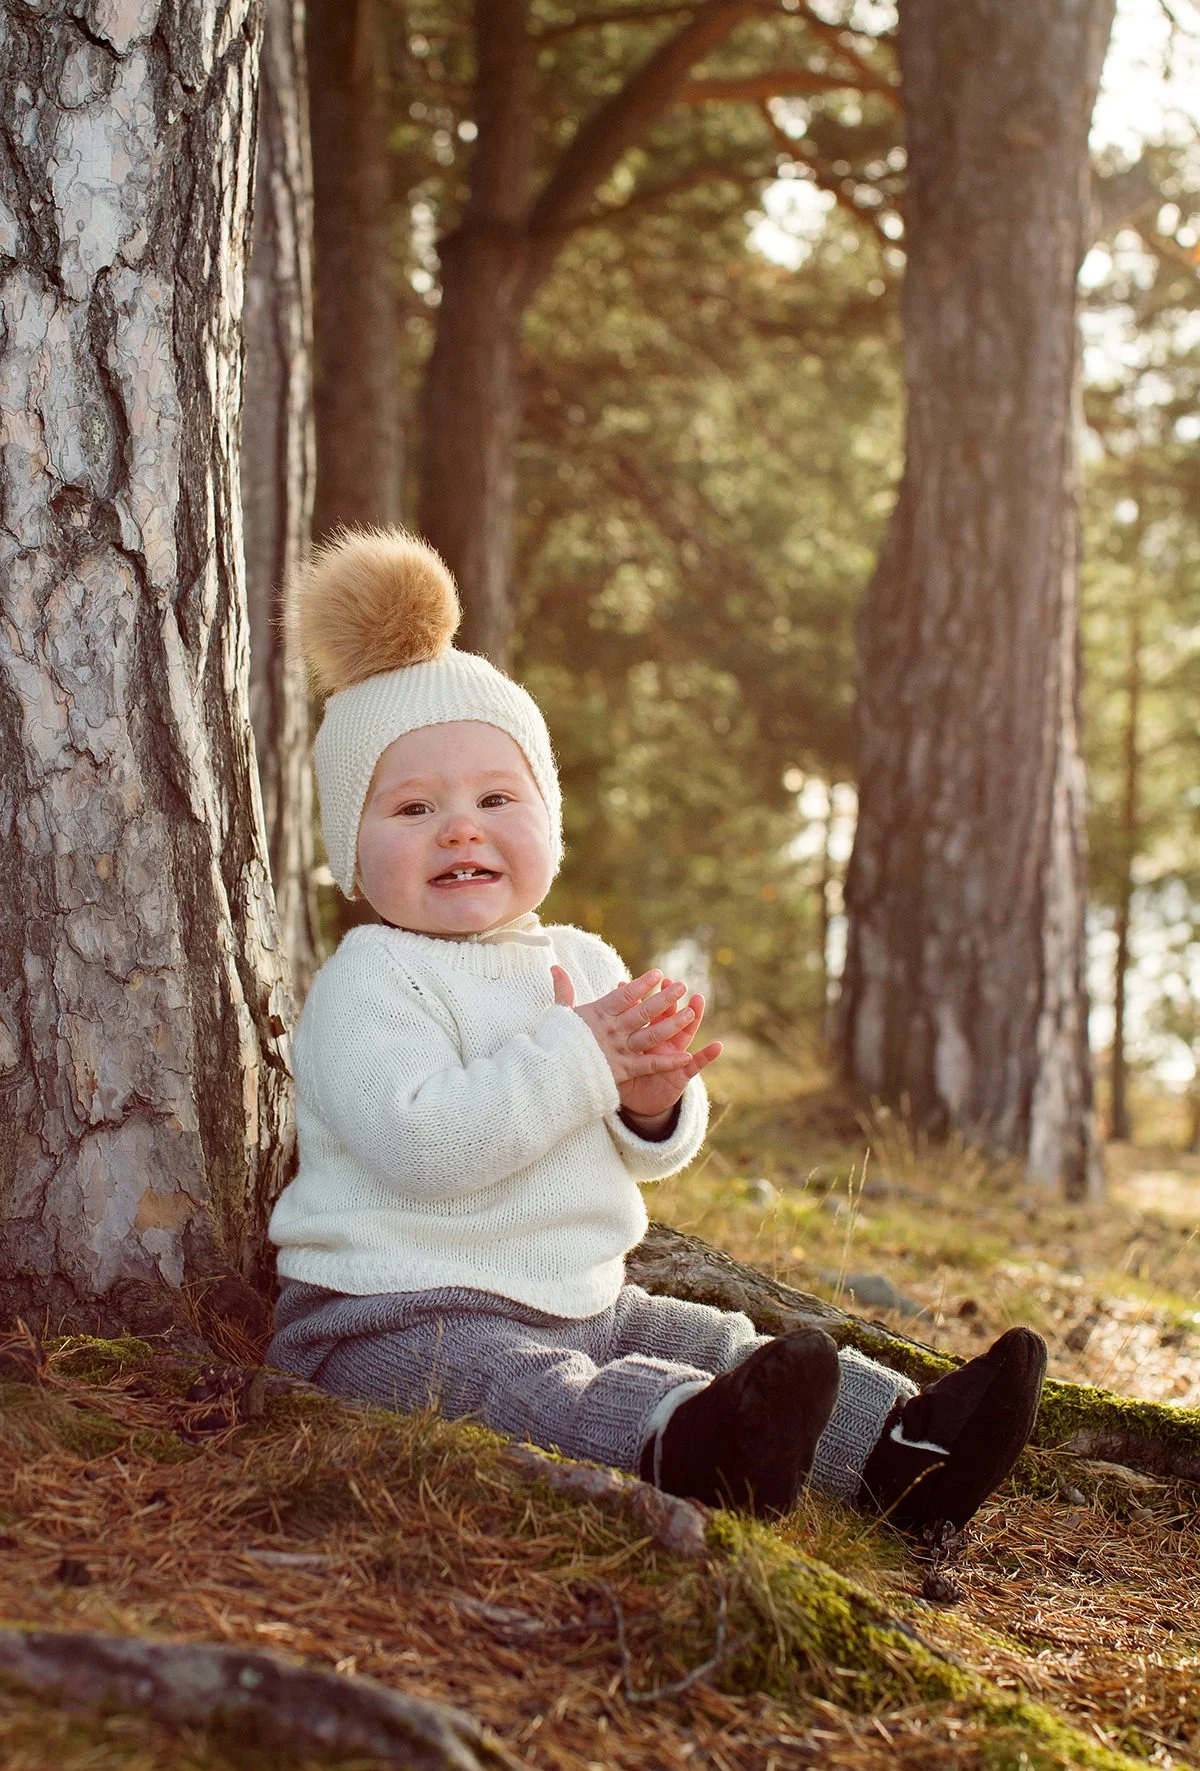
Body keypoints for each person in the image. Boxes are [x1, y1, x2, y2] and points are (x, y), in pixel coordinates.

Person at [266, 527, 1047, 1533]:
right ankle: (693, 1449)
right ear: (351, 853)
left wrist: (653, 1104)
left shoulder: (585, 960)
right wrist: (582, 1057)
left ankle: (903, 1447)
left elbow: (652, 1152)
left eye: (497, 798)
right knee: (523, 1388)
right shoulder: (370, 979)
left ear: (547, 821)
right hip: (398, 1316)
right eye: (414, 808)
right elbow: (424, 1148)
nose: (461, 828)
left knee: (719, 1337)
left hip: (582, 1293)